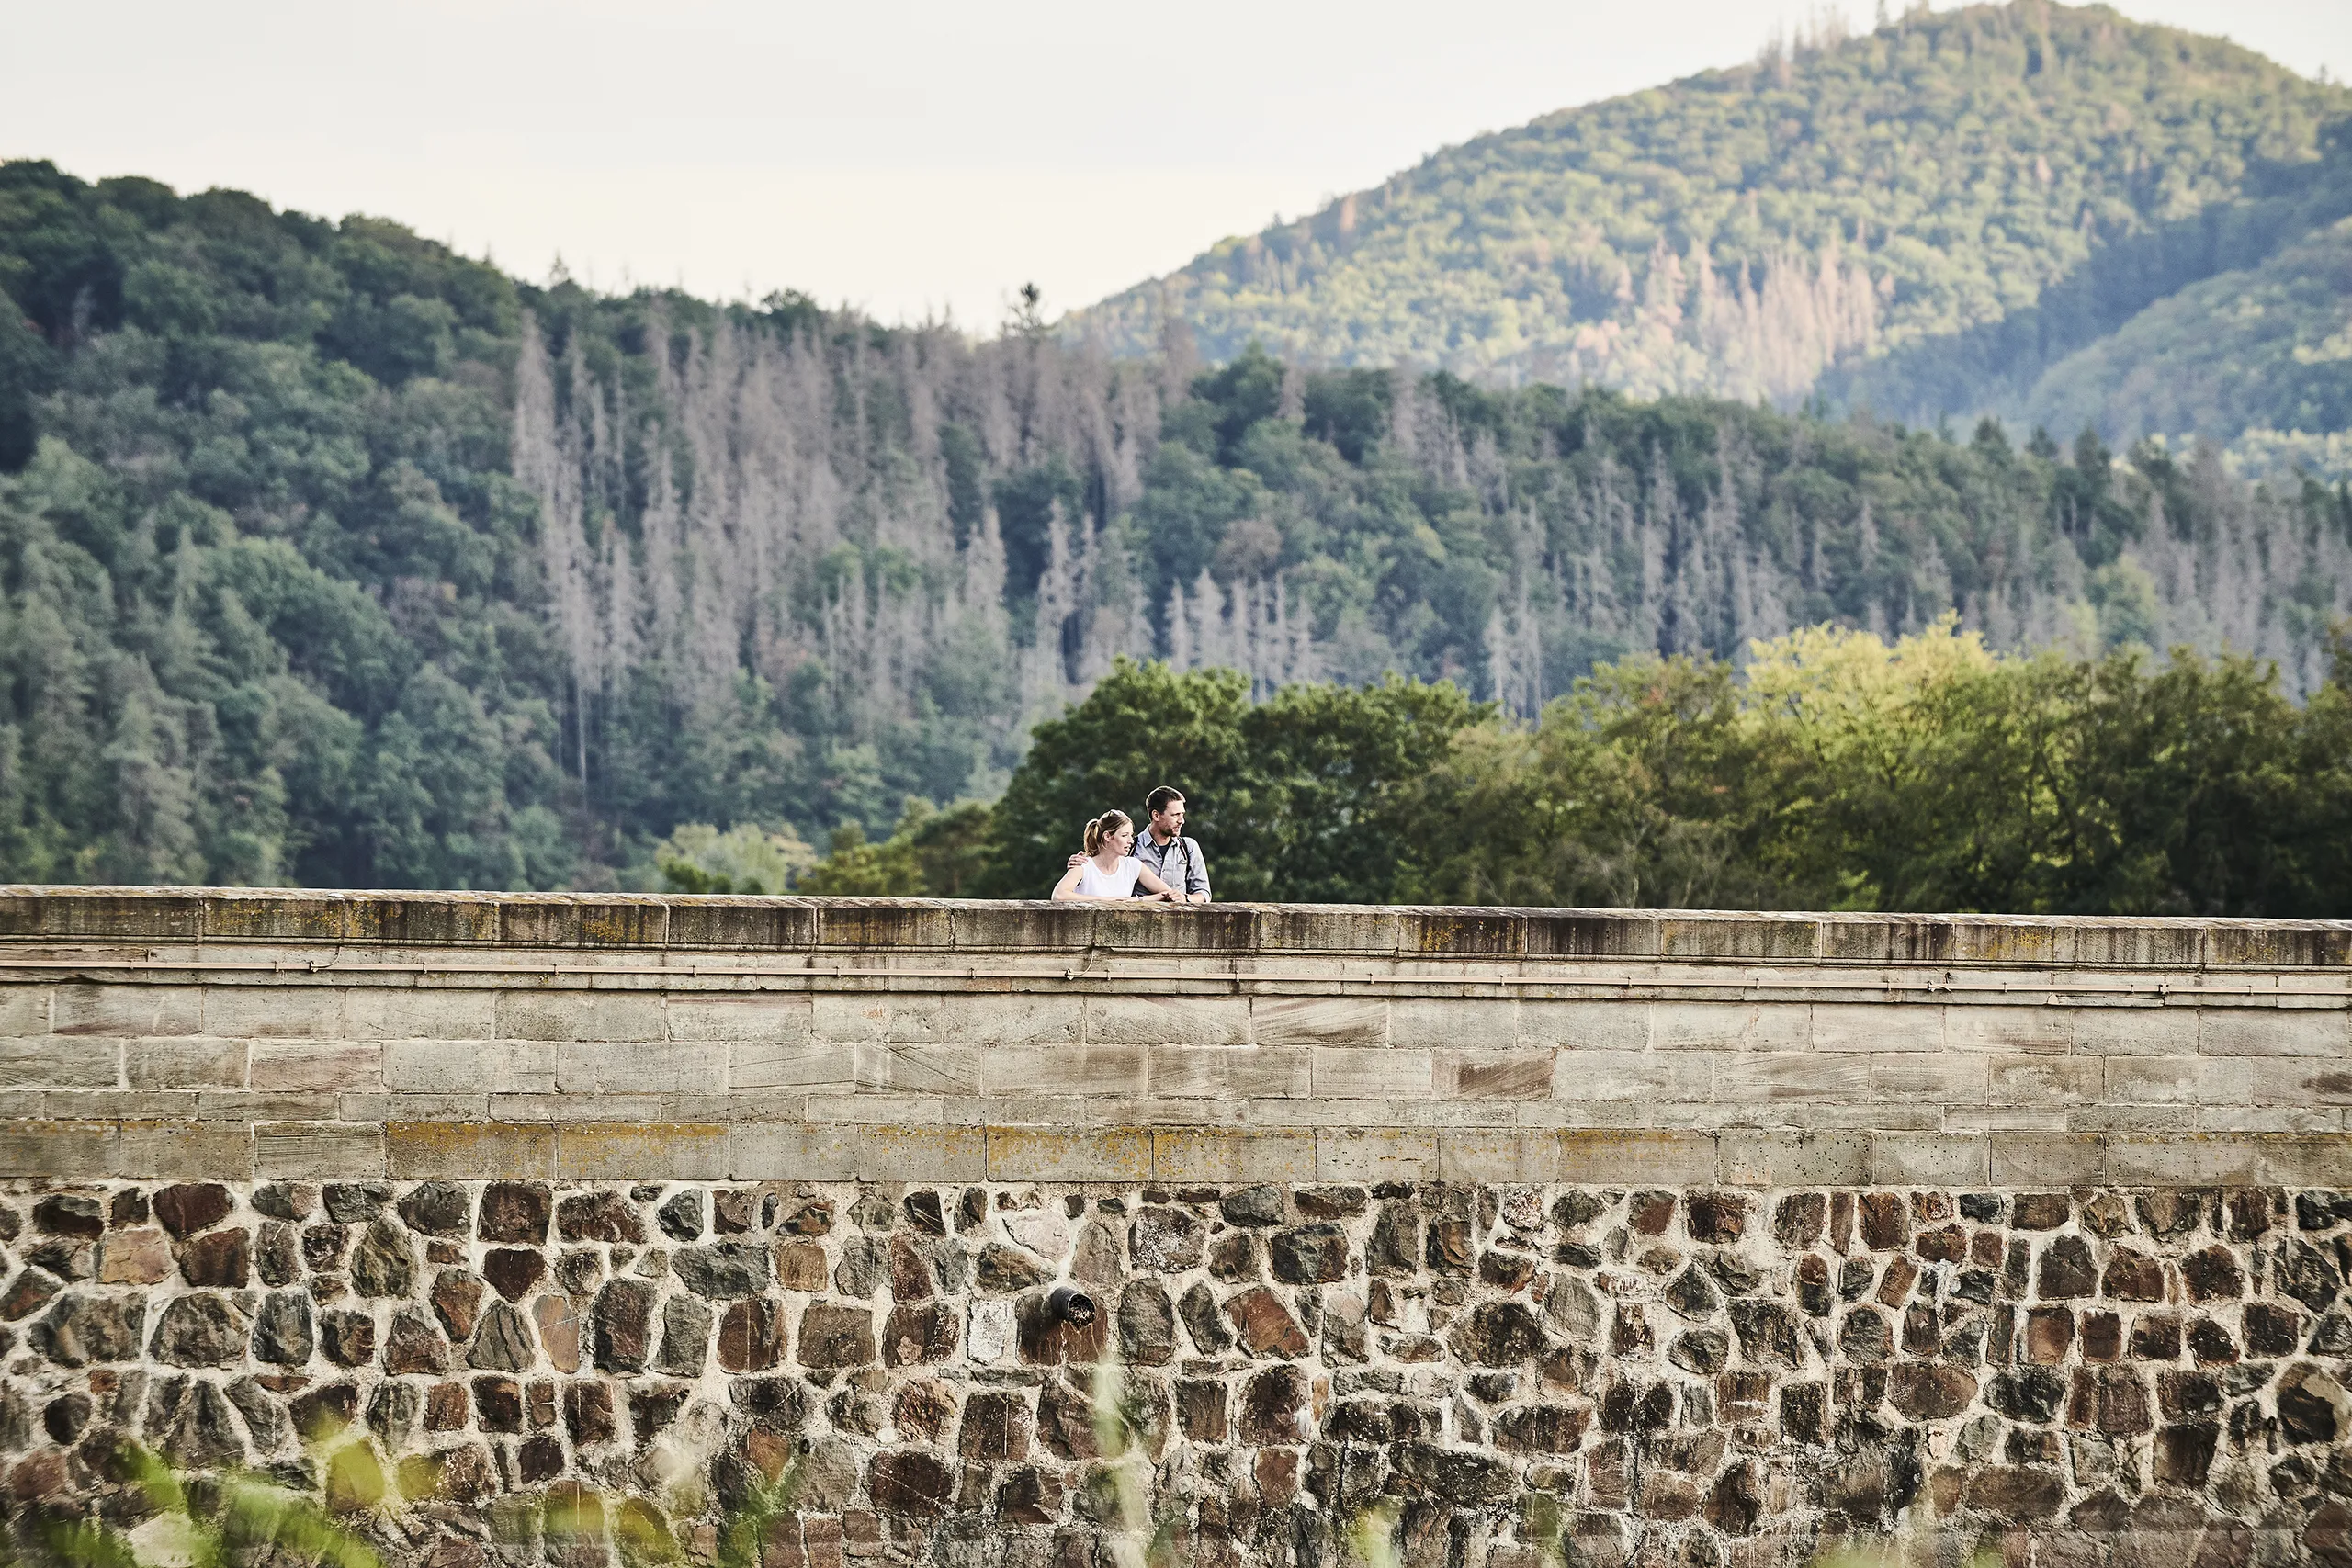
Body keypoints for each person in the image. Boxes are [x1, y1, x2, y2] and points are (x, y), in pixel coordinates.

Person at [1065, 785, 1212, 903]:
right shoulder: (1130, 847)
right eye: (1175, 815)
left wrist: (1184, 898)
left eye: (1182, 814)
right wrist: (1082, 861)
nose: (1182, 820)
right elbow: (1102, 862)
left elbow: (1204, 893)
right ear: (1156, 815)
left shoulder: (1188, 847)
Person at [1051, 810, 1181, 902]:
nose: (1131, 841)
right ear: (1108, 836)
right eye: (1124, 835)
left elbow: (1169, 893)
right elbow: (1059, 895)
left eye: (1131, 835)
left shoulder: (1133, 865)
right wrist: (1106, 901)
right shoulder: (1083, 864)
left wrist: (1138, 900)